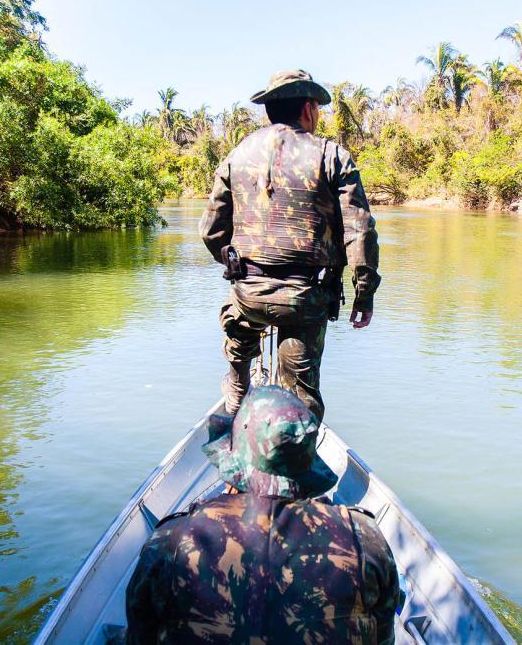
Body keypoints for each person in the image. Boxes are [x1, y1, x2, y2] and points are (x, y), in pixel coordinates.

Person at [125, 385, 401, 644]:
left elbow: (140, 634)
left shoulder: (170, 540)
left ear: (234, 461)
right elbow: (383, 636)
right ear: (306, 463)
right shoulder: (364, 539)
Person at [199, 69, 381, 420]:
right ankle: (292, 458)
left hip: (249, 295)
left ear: (271, 109)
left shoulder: (238, 154)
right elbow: (360, 231)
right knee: (300, 398)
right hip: (304, 299)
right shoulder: (332, 156)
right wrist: (365, 293)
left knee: (239, 330)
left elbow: (210, 230)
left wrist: (239, 269)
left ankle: (237, 387)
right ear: (309, 108)